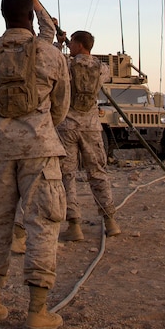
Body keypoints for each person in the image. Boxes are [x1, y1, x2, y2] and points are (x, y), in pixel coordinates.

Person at [0, 0, 69, 329]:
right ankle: (38, 312)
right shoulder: (50, 55)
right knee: (42, 224)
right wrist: (39, 130)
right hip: (39, 150)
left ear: (4, 15)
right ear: (28, 15)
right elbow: (61, 107)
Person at [56, 29, 120, 241]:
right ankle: (110, 220)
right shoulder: (102, 68)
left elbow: (55, 63)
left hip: (68, 126)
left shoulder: (66, 64)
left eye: (72, 43)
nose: (70, 47)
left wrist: (59, 43)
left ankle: (74, 224)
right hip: (92, 126)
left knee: (67, 174)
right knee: (98, 172)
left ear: (78, 44)